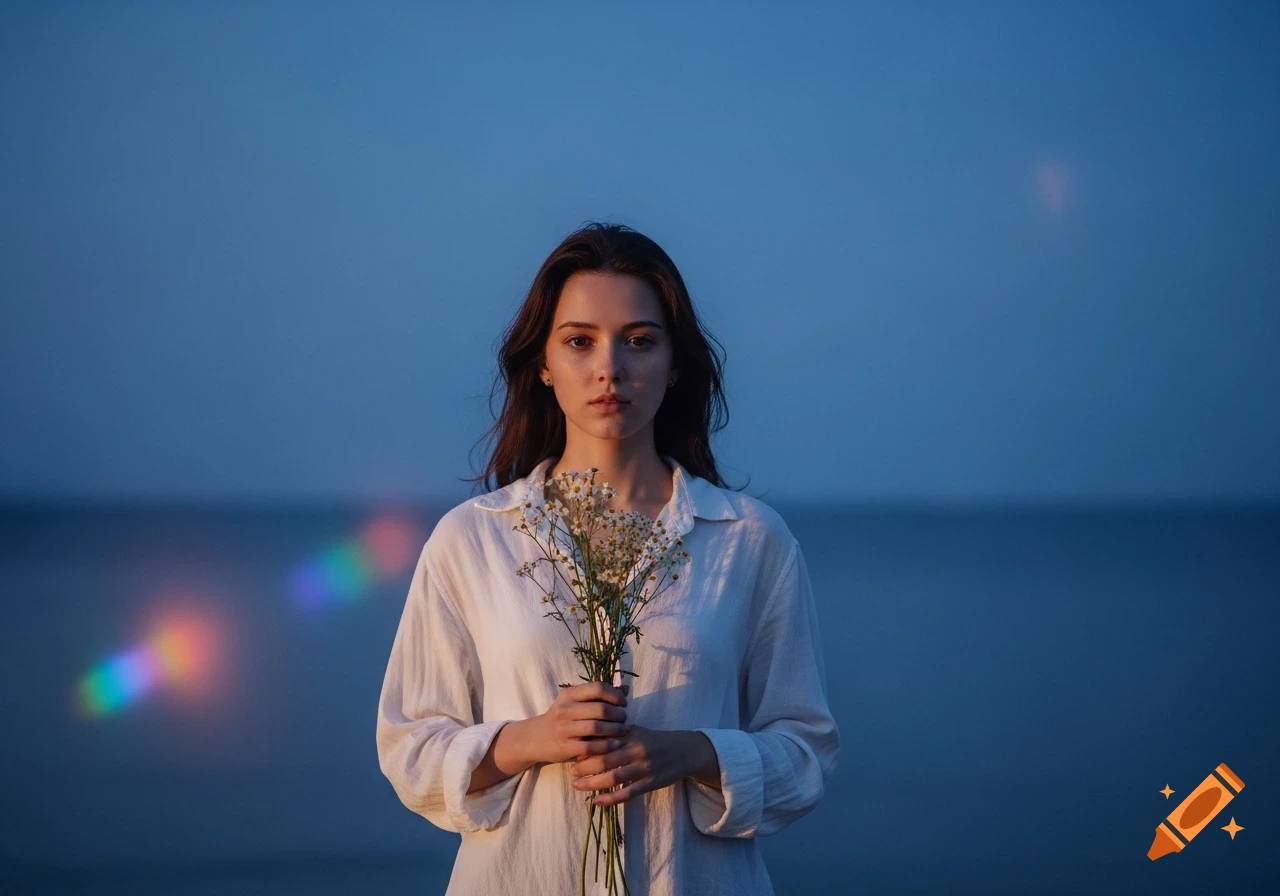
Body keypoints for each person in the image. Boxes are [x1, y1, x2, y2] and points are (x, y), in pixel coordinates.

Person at [375, 222, 839, 894]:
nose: (610, 369)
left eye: (640, 342)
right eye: (579, 341)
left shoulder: (750, 540)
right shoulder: (471, 540)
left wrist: (693, 752)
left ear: (675, 363)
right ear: (542, 362)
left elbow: (806, 754)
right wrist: (531, 739)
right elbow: (409, 748)